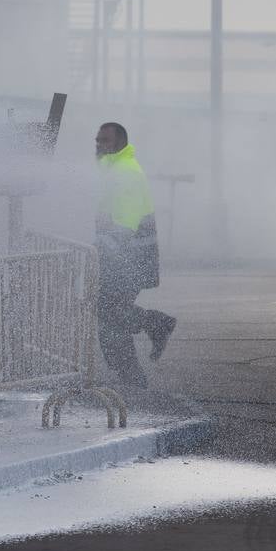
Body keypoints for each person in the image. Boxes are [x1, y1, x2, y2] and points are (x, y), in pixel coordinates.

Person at [94, 122, 175, 389]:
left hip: (130, 260)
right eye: (97, 140)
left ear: (119, 143)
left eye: (104, 140)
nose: (98, 145)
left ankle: (153, 327)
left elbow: (125, 226)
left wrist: (103, 247)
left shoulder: (126, 172)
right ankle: (132, 374)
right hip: (122, 260)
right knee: (110, 314)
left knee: (108, 314)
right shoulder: (112, 169)